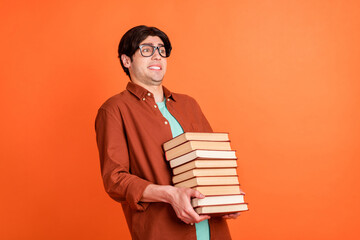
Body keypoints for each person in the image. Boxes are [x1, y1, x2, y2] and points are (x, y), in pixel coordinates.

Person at [95, 25, 240, 240]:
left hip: (213, 230)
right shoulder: (114, 110)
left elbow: (211, 161)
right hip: (163, 232)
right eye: (146, 50)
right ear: (127, 60)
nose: (157, 56)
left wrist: (225, 196)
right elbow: (115, 180)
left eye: (161, 50)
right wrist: (170, 194)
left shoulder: (189, 104)